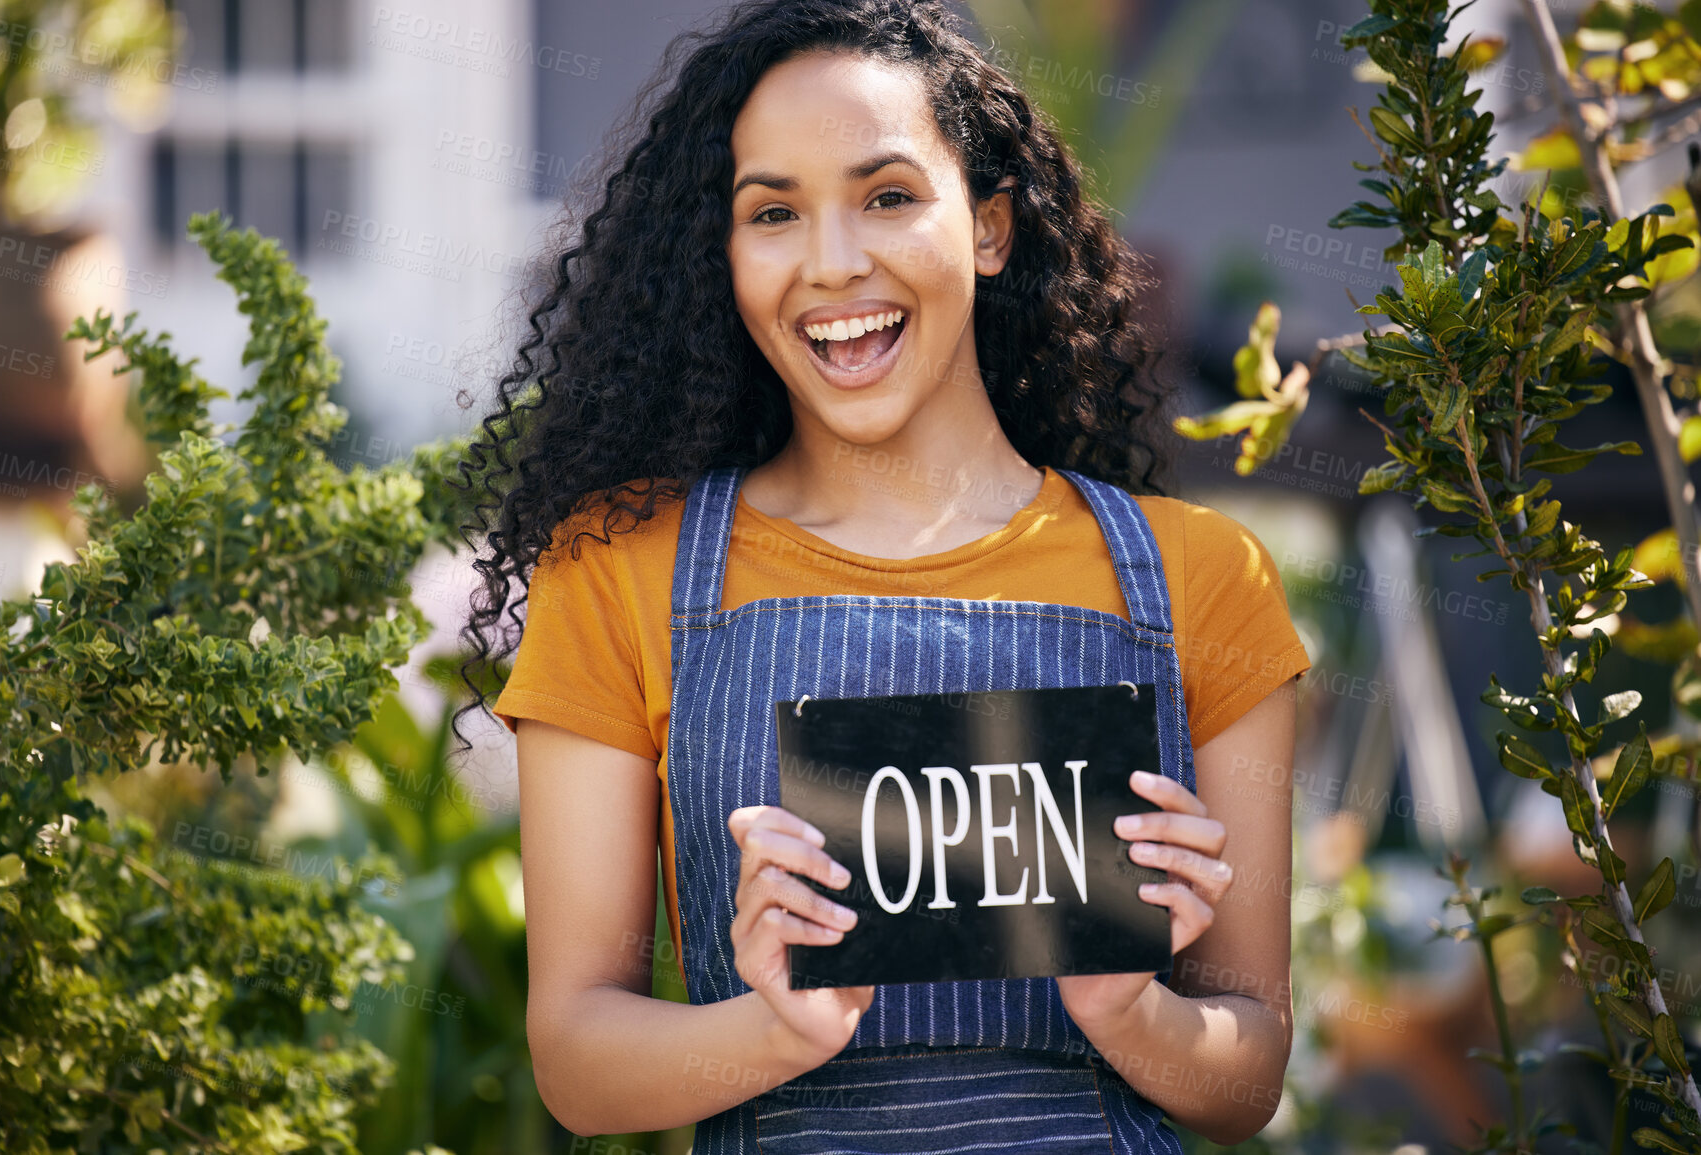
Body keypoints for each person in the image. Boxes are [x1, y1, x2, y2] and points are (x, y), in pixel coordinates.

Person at [458, 0, 1310, 1149]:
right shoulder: (617, 573)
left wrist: (1131, 1008)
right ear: (723, 251)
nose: (833, 263)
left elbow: (1247, 1076)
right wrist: (776, 1032)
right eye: (773, 212)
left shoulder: (1203, 581)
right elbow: (575, 1061)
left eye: (889, 196)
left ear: (992, 227)